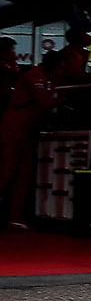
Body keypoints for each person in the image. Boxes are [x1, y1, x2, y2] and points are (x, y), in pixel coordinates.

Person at [0, 54, 59, 228]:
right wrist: (61, 99)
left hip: (28, 129)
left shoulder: (44, 77)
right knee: (6, 171)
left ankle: (15, 217)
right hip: (16, 126)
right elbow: (43, 101)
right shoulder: (35, 76)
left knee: (24, 175)